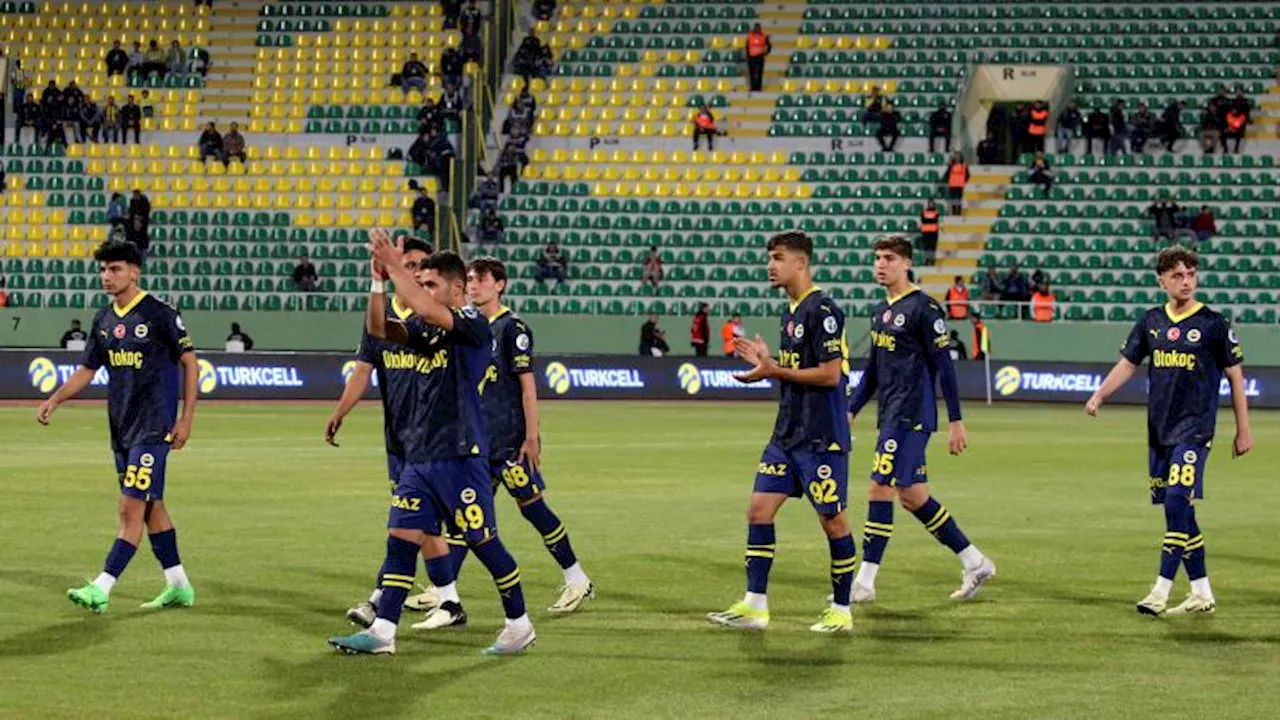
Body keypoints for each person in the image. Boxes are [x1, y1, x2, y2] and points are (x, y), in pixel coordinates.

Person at [329, 233, 535, 656]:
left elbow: (422, 308)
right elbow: (379, 329)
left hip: (460, 454)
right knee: (401, 535)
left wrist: (396, 267)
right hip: (420, 456)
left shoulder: (474, 327)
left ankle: (519, 623)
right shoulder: (429, 329)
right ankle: (384, 631)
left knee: (483, 541)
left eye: (431, 285)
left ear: (456, 289)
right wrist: (378, 284)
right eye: (420, 286)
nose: (423, 294)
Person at [1086, 245, 1251, 617]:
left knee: (1177, 502)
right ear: (1161, 280)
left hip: (1194, 430)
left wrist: (1244, 429)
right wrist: (1099, 394)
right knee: (1179, 513)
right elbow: (1128, 364)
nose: (1186, 281)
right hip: (1159, 430)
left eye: (1191, 274)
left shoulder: (1213, 324)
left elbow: (1236, 377)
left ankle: (1160, 590)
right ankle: (1201, 592)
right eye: (1177, 275)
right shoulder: (1151, 322)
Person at [426, 257, 596, 617]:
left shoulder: (511, 328)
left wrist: (532, 436)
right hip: (479, 441)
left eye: (481, 279)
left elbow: (526, 385)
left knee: (533, 509)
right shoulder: (468, 326)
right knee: (465, 517)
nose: (473, 285)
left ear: (499, 284)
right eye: (469, 279)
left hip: (508, 442)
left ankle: (577, 578)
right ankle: (445, 594)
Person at [37, 240, 199, 614]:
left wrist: (186, 419)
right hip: (122, 430)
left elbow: (190, 363)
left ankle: (102, 586)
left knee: (129, 509)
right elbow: (88, 370)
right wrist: (56, 399)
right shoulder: (104, 320)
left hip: (153, 428)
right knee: (150, 507)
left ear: (134, 272)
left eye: (115, 269)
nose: (107, 277)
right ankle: (178, 585)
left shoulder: (159, 314)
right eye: (104, 270)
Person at [706, 231, 855, 634]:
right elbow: (795, 375)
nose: (770, 265)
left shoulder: (823, 310)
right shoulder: (790, 313)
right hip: (787, 435)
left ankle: (842, 609)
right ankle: (755, 606)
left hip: (822, 439)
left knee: (833, 522)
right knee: (758, 510)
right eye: (769, 257)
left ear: (800, 263)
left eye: (778, 257)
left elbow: (828, 375)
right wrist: (766, 367)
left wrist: (774, 370)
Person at [847, 235, 995, 605]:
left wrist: (956, 420)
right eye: (878, 258)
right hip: (891, 414)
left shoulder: (925, 309)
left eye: (890, 258)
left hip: (912, 414)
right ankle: (974, 560)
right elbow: (873, 372)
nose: (881, 264)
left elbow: (945, 367)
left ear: (907, 263)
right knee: (913, 496)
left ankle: (864, 582)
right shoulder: (881, 311)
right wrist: (849, 409)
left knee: (879, 487)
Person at [328, 239, 464, 631]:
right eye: (407, 265)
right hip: (399, 439)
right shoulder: (385, 318)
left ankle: (381, 603)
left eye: (420, 266)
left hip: (436, 441)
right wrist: (340, 412)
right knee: (420, 527)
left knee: (409, 525)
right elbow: (363, 369)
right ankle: (447, 601)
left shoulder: (439, 319)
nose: (415, 272)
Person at [745, 23, 771, 92]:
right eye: (756, 28)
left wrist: (766, 53)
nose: (757, 29)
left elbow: (769, 46)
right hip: (751, 57)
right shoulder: (750, 36)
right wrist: (747, 56)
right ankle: (753, 87)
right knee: (752, 72)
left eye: (758, 28)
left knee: (759, 72)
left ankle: (759, 87)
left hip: (760, 57)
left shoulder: (764, 36)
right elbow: (747, 46)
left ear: (760, 28)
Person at [944, 152, 967, 216]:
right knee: (953, 200)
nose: (957, 158)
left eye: (958, 156)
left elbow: (967, 175)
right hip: (952, 185)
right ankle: (954, 213)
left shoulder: (963, 166)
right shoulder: (951, 166)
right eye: (956, 156)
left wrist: (963, 181)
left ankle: (959, 213)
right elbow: (947, 175)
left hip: (960, 185)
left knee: (959, 200)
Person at [918, 198, 940, 265]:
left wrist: (928, 220)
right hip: (926, 232)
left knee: (933, 247)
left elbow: (934, 220)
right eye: (930, 203)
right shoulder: (924, 212)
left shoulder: (936, 212)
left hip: (933, 232)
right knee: (926, 247)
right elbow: (923, 220)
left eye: (932, 203)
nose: (931, 204)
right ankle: (927, 260)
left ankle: (932, 260)